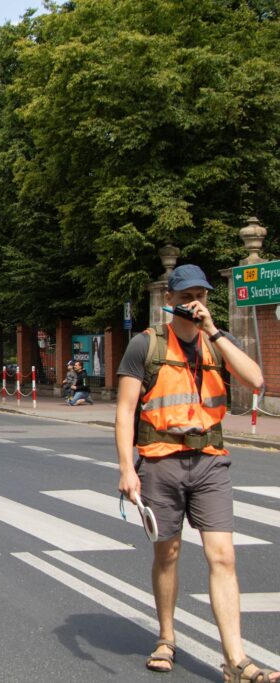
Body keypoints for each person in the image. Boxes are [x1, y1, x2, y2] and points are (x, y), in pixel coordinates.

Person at [115, 264, 274, 681]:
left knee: (223, 556)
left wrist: (216, 331)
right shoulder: (144, 345)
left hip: (210, 462)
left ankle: (235, 659)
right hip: (160, 462)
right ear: (169, 299)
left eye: (201, 295)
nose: (194, 302)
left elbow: (257, 380)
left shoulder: (217, 343)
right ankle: (166, 637)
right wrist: (125, 470)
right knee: (167, 553)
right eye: (186, 296)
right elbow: (125, 411)